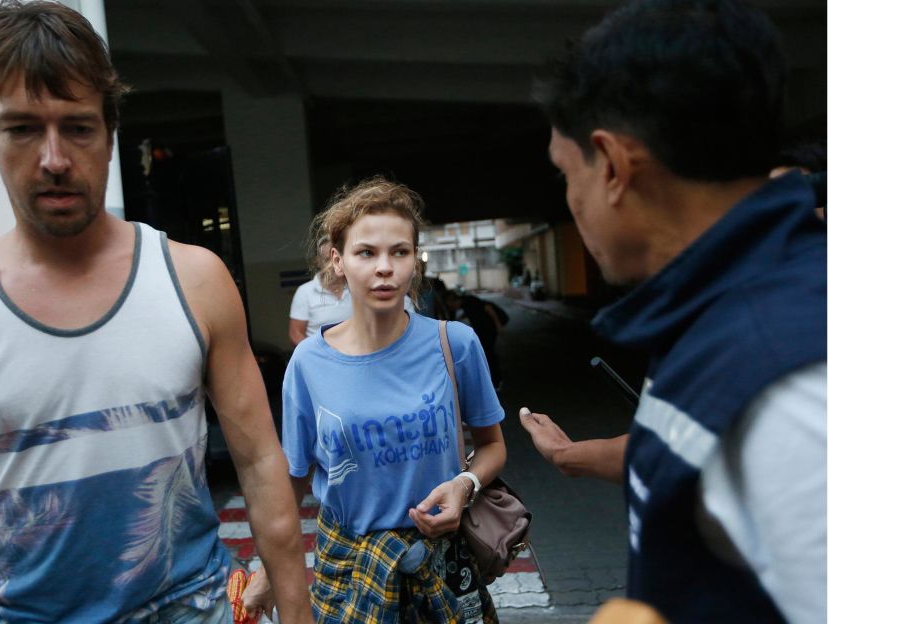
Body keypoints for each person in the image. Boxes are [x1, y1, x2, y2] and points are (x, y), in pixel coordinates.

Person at [0, 3, 313, 623]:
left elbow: (258, 464)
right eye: (23, 129)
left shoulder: (193, 280)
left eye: (78, 127)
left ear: (110, 133)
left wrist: (298, 618)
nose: (55, 158)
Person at [521, 1, 826, 622]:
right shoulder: (716, 311)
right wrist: (571, 457)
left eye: (565, 174)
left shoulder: (793, 378)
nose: (572, 202)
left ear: (612, 166)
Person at [244, 177, 508, 623]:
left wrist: (465, 486)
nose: (384, 267)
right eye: (366, 252)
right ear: (338, 260)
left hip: (441, 563)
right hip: (349, 567)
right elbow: (291, 478)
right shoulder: (308, 363)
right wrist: (268, 570)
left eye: (399, 252)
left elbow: (493, 446)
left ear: (414, 261)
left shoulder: (455, 344)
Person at [290, 236, 417, 346]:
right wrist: (318, 355)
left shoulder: (359, 287)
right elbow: (296, 333)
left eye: (336, 259)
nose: (331, 264)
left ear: (341, 260)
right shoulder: (305, 292)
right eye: (326, 259)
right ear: (318, 261)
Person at [443, 290, 507, 389]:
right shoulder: (465, 305)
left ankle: (497, 380)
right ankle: (492, 379)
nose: (452, 308)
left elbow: (488, 308)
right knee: (485, 353)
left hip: (489, 329)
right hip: (482, 330)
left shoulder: (470, 301)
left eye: (451, 305)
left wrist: (498, 325)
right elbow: (471, 312)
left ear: (455, 300)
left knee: (488, 353)